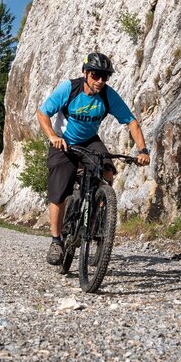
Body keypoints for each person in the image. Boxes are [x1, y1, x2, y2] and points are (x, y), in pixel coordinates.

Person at [36, 52, 150, 265]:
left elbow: (131, 122)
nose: (100, 81)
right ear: (85, 72)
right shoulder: (69, 89)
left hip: (89, 140)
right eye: (96, 75)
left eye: (105, 77)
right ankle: (56, 241)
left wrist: (143, 150)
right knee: (60, 187)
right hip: (64, 141)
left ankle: (97, 219)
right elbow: (43, 114)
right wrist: (52, 136)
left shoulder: (107, 95)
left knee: (107, 171)